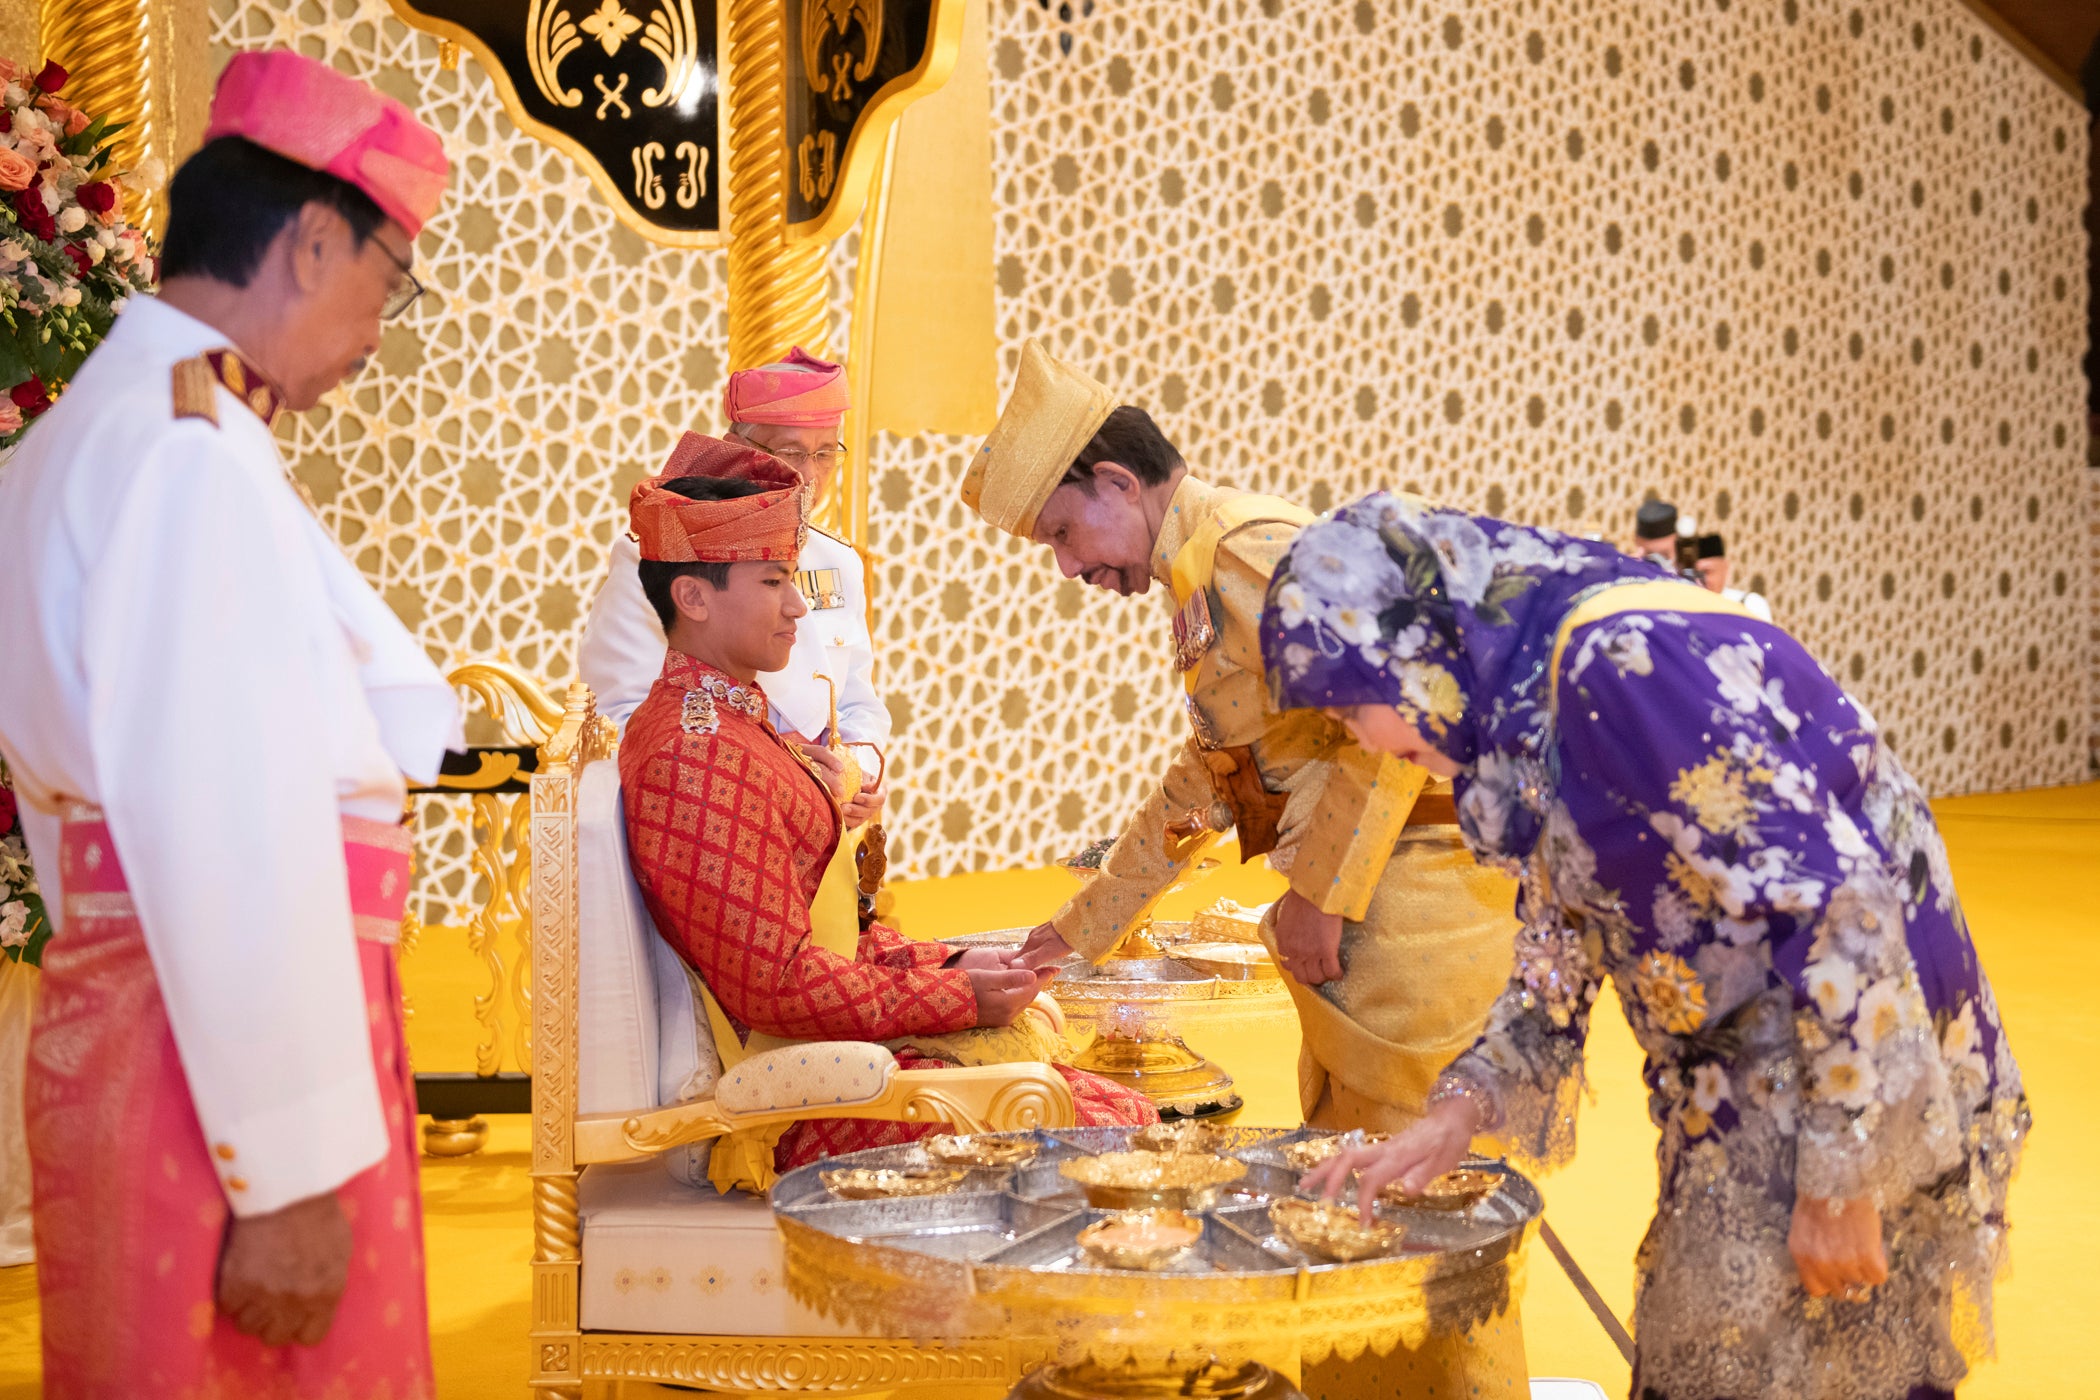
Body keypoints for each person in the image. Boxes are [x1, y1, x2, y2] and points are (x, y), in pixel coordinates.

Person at [1266, 493, 2027, 1400]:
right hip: (1747, 1061)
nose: (1366, 742)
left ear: (1418, 651)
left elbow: (1838, 901)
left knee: (1793, 1359)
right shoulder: (1530, 704)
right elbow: (1560, 945)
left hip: (1848, 1056)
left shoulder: (1612, 672)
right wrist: (1454, 1116)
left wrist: (1839, 1180)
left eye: (1355, 712)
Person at [0, 51, 458, 1399]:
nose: (385, 320)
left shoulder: (96, 438)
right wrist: (292, 1178)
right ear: (314, 241)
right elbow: (229, 834)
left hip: (164, 1036)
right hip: (223, 1084)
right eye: (393, 273)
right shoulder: (186, 459)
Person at [963, 343, 1525, 1395]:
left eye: (1064, 534)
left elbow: (1406, 704)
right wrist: (1082, 926)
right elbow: (1211, 779)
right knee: (1356, 1215)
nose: (1070, 570)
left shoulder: (1252, 552)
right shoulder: (1197, 579)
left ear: (1118, 483)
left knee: (1421, 1221)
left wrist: (1320, 890)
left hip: (1413, 905)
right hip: (1368, 920)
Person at [618, 433, 1154, 1192]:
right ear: (694, 596)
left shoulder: (731, 717)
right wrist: (956, 995)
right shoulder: (695, 752)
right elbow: (777, 986)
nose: (799, 605)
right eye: (774, 581)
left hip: (812, 1052)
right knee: (1121, 1130)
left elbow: (820, 933)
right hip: (786, 1097)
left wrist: (954, 965)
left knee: (1087, 1075)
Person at [580, 349, 888, 828]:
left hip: (825, 829)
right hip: (705, 817)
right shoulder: (660, 553)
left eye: (825, 453)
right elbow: (619, 714)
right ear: (735, 447)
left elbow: (858, 703)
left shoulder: (840, 561)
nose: (808, 477)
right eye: (788, 452)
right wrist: (768, 776)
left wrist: (857, 776)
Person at [1631, 498, 1772, 623]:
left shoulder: (1746, 603)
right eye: (1649, 556)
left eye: (1664, 556)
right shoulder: (1630, 582)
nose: (1657, 564)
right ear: (1637, 543)